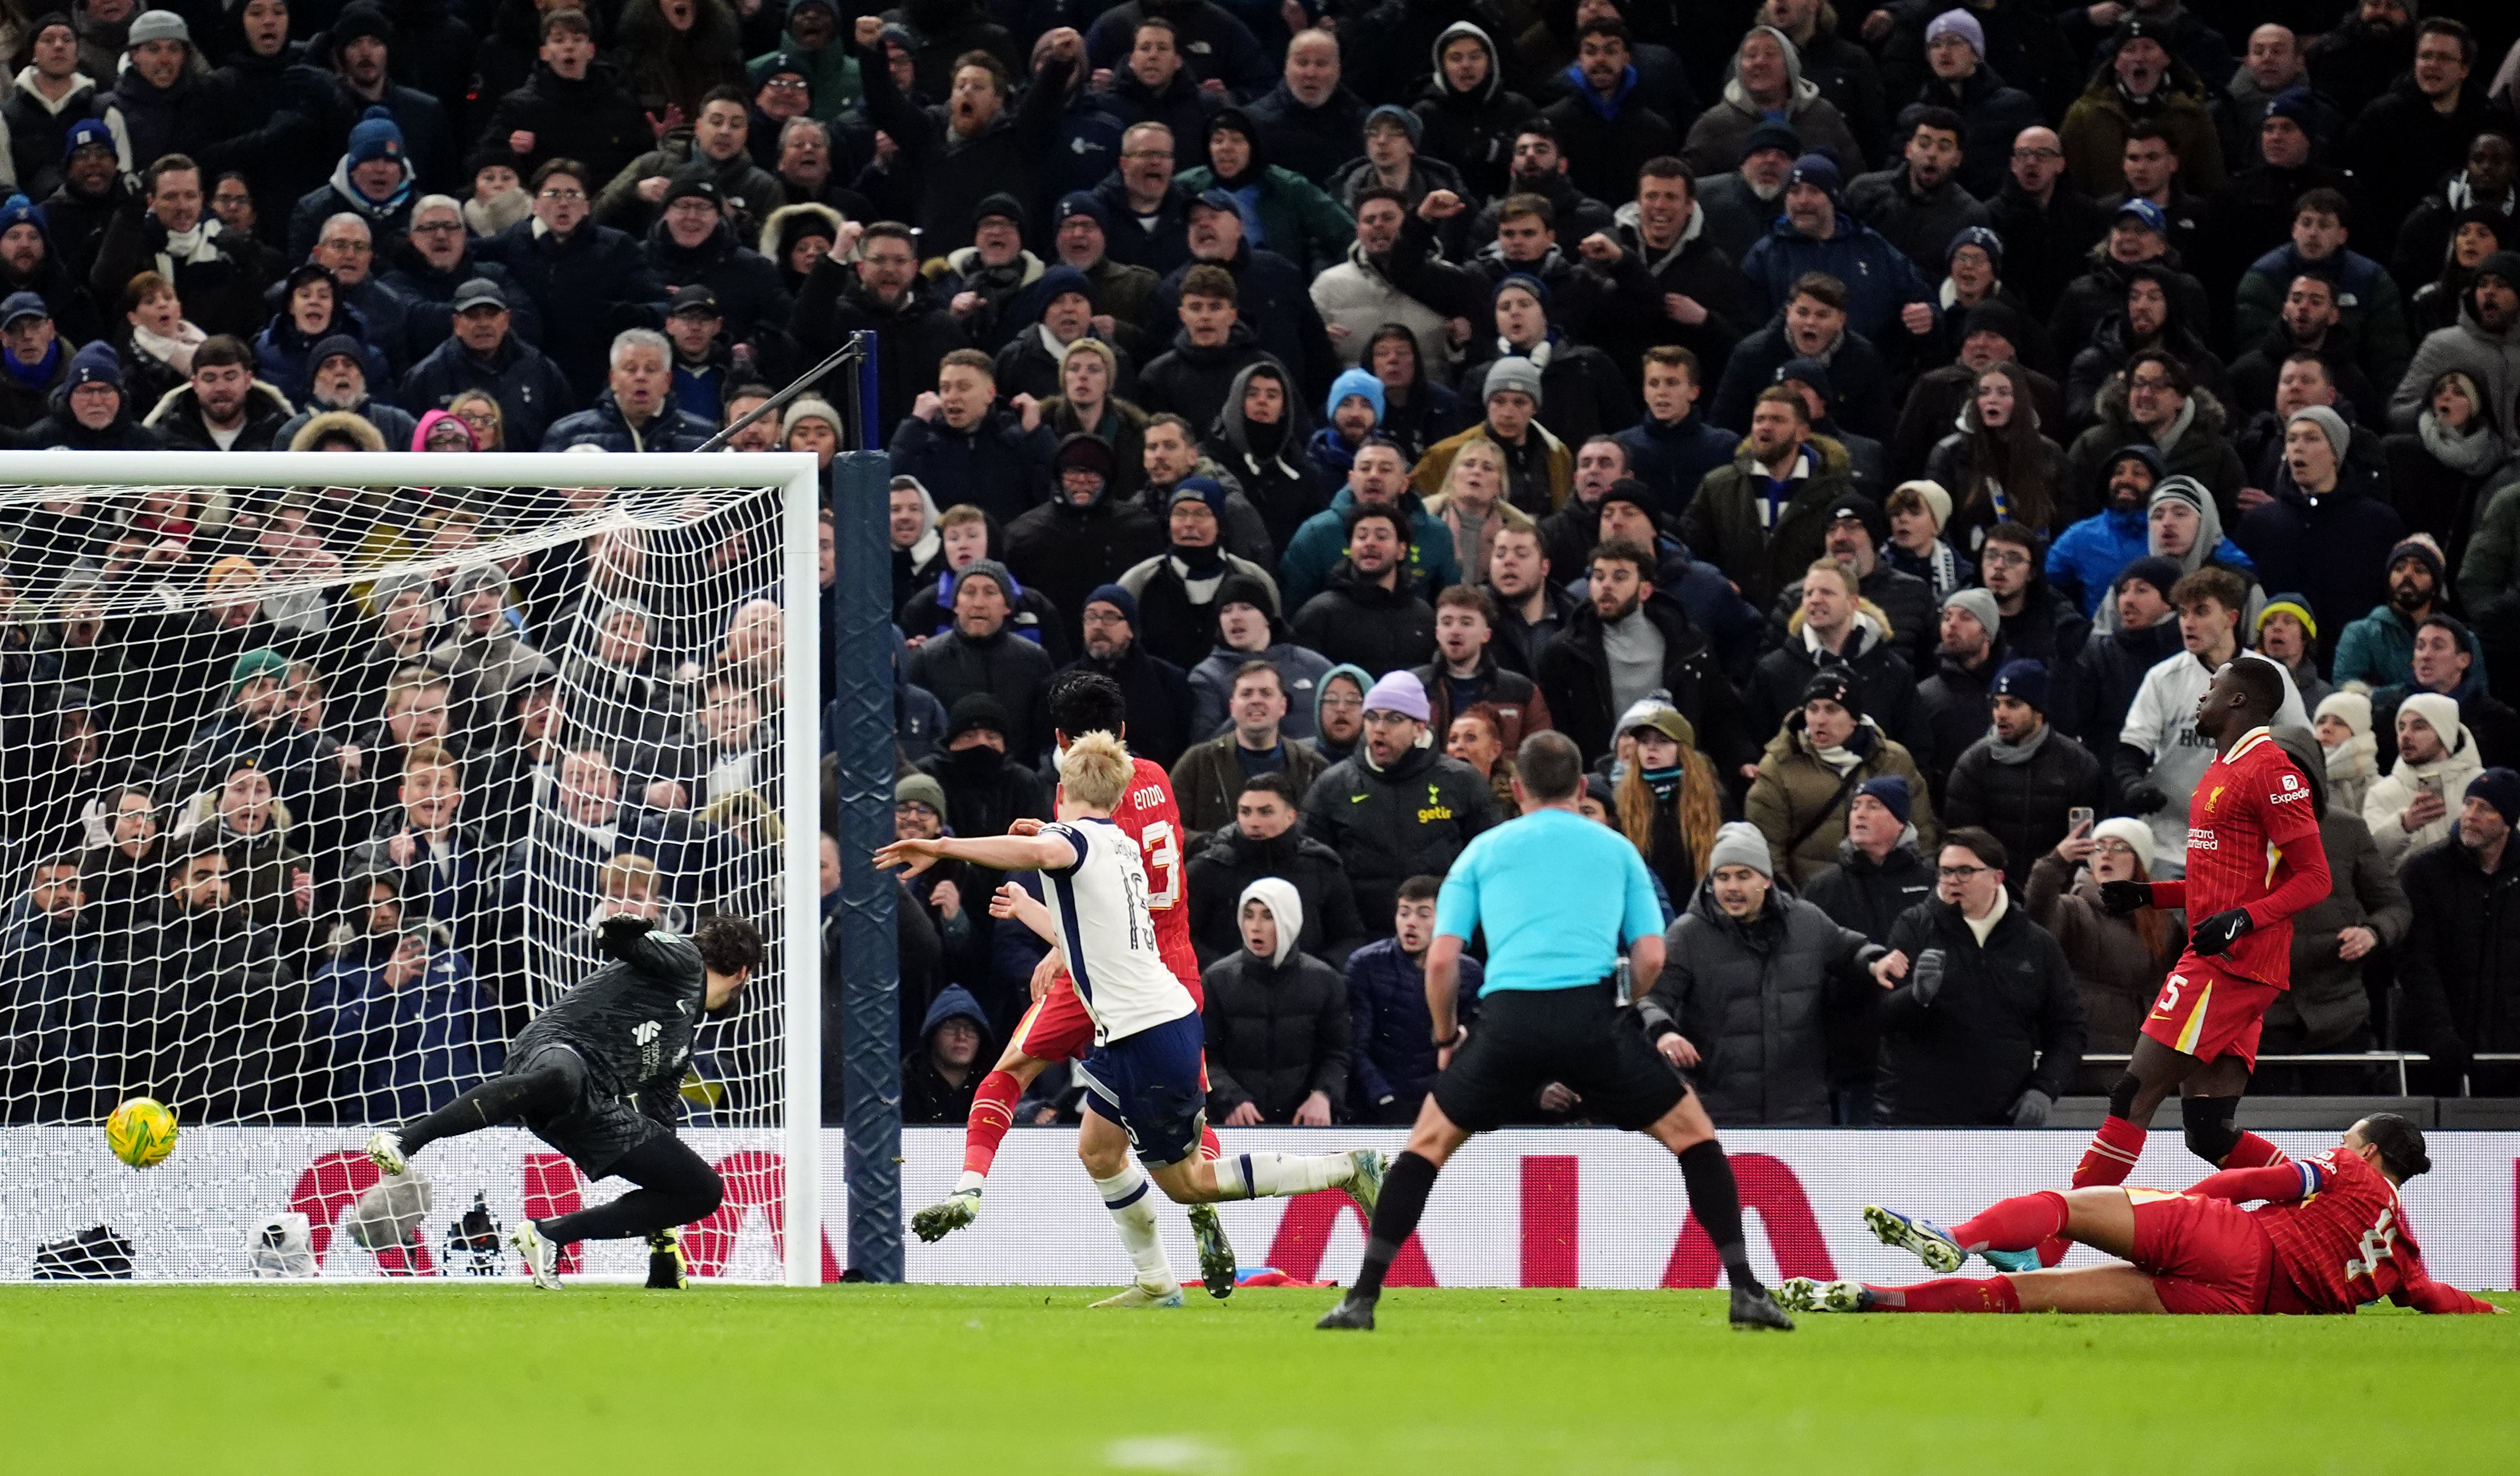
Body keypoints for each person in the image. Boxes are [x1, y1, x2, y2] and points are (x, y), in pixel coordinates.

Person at [883, 726, 1383, 1310]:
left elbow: (1046, 850)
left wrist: (943, 846)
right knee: (1097, 1147)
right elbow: (1081, 935)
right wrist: (1033, 902)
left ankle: (1348, 1167)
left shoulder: (1077, 843)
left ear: (1064, 785)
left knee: (1190, 1182)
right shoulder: (1118, 843)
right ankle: (1156, 1282)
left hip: (1147, 1034)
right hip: (1145, 1021)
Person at [903, 676, 1230, 1261]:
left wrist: (1053, 942)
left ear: (1058, 738)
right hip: (1174, 970)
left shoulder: (1074, 790)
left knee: (1012, 1071)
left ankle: (970, 1184)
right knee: (1182, 1110)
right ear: (1124, 732)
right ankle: (1201, 1210)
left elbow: (1103, 875)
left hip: (1109, 968)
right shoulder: (1154, 776)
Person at [2049, 657, 2333, 1275]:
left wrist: (2243, 921)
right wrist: (2150, 894)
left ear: (2241, 701)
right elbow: (2219, 881)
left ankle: (2047, 1244)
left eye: (2213, 687)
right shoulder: (2220, 768)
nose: (2200, 695)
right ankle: (2324, 1199)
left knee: (2133, 1090)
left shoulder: (2272, 769)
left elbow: (2315, 877)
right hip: (2225, 956)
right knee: (2208, 1129)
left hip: (2230, 964)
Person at [364, 913, 764, 1289]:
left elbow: (662, 1132)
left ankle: (549, 1235)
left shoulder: (678, 1046)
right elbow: (620, 940)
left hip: (586, 1104)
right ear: (742, 974)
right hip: (551, 1051)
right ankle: (405, 1139)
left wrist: (664, 1238)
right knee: (561, 1077)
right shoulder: (685, 958)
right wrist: (619, 930)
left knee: (699, 1189)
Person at [1787, 1115, 2496, 1316]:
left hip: (2236, 1241)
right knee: (2030, 1295)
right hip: (2236, 1302)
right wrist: (2484, 1310)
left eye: (2348, 1137)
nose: (2341, 1145)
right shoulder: (2405, 1250)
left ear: (2367, 1149)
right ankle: (1875, 1299)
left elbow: (2260, 1177)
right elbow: (2431, 1299)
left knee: (2063, 1209)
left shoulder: (2347, 1169)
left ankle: (1957, 1236)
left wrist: (2195, 1203)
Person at [1642, 817, 1888, 1128]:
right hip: (1719, 1110)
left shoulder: (1807, 921)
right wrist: (1665, 1032)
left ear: (1767, 880)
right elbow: (1652, 998)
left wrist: (1875, 962)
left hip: (1802, 1110)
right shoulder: (1688, 935)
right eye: (1722, 877)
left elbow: (1851, 950)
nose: (1732, 887)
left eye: (1743, 876)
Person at [2116, 570, 2309, 870]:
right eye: (2183, 613)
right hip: (2170, 842)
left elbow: (2303, 753)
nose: (2188, 623)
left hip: (2248, 844)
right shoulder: (2163, 678)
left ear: (2231, 618)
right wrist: (2133, 785)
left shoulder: (2271, 676)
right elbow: (2131, 749)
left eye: (2201, 612)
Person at [1746, 670, 1938, 887]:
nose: (1819, 720)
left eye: (1832, 710)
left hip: (1888, 894)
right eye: (1812, 709)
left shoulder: (1893, 760)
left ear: (1854, 719)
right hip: (1811, 900)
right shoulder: (1779, 765)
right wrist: (1795, 909)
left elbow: (1922, 834)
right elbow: (1767, 849)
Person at [2397, 768, 2520, 1094]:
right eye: (2468, 804)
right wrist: (2439, 1033)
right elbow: (2415, 962)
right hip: (2438, 1047)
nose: (2471, 816)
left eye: (2485, 808)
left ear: (2508, 821)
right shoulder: (2424, 871)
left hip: (2509, 1053)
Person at [1200, 878, 1350, 1127]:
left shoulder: (1325, 981)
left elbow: (1337, 1053)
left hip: (1302, 1125)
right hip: (1235, 1124)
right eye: (1249, 916)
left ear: (1288, 920)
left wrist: (1323, 1096)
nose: (1255, 927)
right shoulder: (1216, 980)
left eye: (1268, 916)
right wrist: (1231, 1099)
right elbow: (1205, 1055)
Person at [1181, 771, 1358, 967]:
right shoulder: (1208, 868)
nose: (1254, 823)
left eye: (1266, 812)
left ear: (1291, 816)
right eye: (1245, 812)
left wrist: (1317, 974)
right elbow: (1182, 937)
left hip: (1306, 989)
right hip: (1227, 991)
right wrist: (1224, 974)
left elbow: (1349, 937)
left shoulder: (1322, 866)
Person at [1345, 874, 1483, 1124]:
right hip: (1375, 1107)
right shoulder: (1365, 965)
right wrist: (1382, 1097)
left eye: (1423, 914)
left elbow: (1468, 1050)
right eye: (1404, 913)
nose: (1411, 923)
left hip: (1440, 1106)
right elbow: (1355, 1045)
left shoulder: (1469, 974)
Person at [1942, 659, 2103, 869]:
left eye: (2013, 704)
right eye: (1996, 704)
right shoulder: (1973, 764)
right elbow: (1962, 842)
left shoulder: (2078, 764)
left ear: (2039, 711)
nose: (2001, 714)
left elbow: (2085, 848)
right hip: (1994, 889)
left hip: (2056, 889)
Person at [2362, 691, 2484, 873]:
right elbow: (2367, 859)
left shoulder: (2481, 785)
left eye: (2419, 727)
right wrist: (2404, 825)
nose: (2406, 736)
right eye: (2401, 728)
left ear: (2445, 733)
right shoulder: (2381, 793)